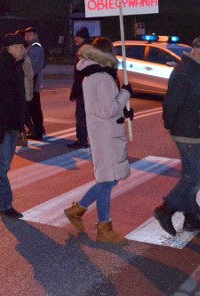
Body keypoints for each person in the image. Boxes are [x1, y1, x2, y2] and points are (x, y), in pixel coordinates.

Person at [63, 37, 133, 244]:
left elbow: (106, 108)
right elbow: (108, 109)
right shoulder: (101, 77)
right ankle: (104, 228)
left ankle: (78, 210)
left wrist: (124, 110)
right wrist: (126, 94)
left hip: (104, 131)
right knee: (106, 180)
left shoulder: (94, 75)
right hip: (105, 134)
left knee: (108, 178)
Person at [153, 36, 200, 236]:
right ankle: (166, 209)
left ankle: (191, 217)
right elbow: (172, 101)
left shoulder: (193, 70)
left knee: (191, 176)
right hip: (188, 132)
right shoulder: (185, 72)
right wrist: (171, 124)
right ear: (198, 52)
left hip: (193, 130)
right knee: (194, 178)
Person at [0, 32, 29, 218]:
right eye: (20, 47)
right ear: (11, 48)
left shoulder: (16, 66)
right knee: (3, 165)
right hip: (1, 123)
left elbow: (19, 98)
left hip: (12, 123)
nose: (24, 50)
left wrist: (24, 122)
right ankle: (5, 204)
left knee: (3, 163)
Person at [68, 26, 91, 149]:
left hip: (83, 88)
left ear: (80, 37)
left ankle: (82, 140)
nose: (75, 39)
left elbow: (79, 72)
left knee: (81, 115)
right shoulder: (93, 48)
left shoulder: (83, 51)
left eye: (76, 36)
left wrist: (74, 90)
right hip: (91, 87)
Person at [24, 27, 46, 140]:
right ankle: (38, 130)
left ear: (35, 35)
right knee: (33, 108)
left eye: (30, 35)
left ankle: (38, 132)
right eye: (26, 35)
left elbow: (34, 66)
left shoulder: (35, 47)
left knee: (34, 108)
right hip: (31, 82)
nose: (27, 37)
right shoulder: (31, 47)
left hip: (32, 83)